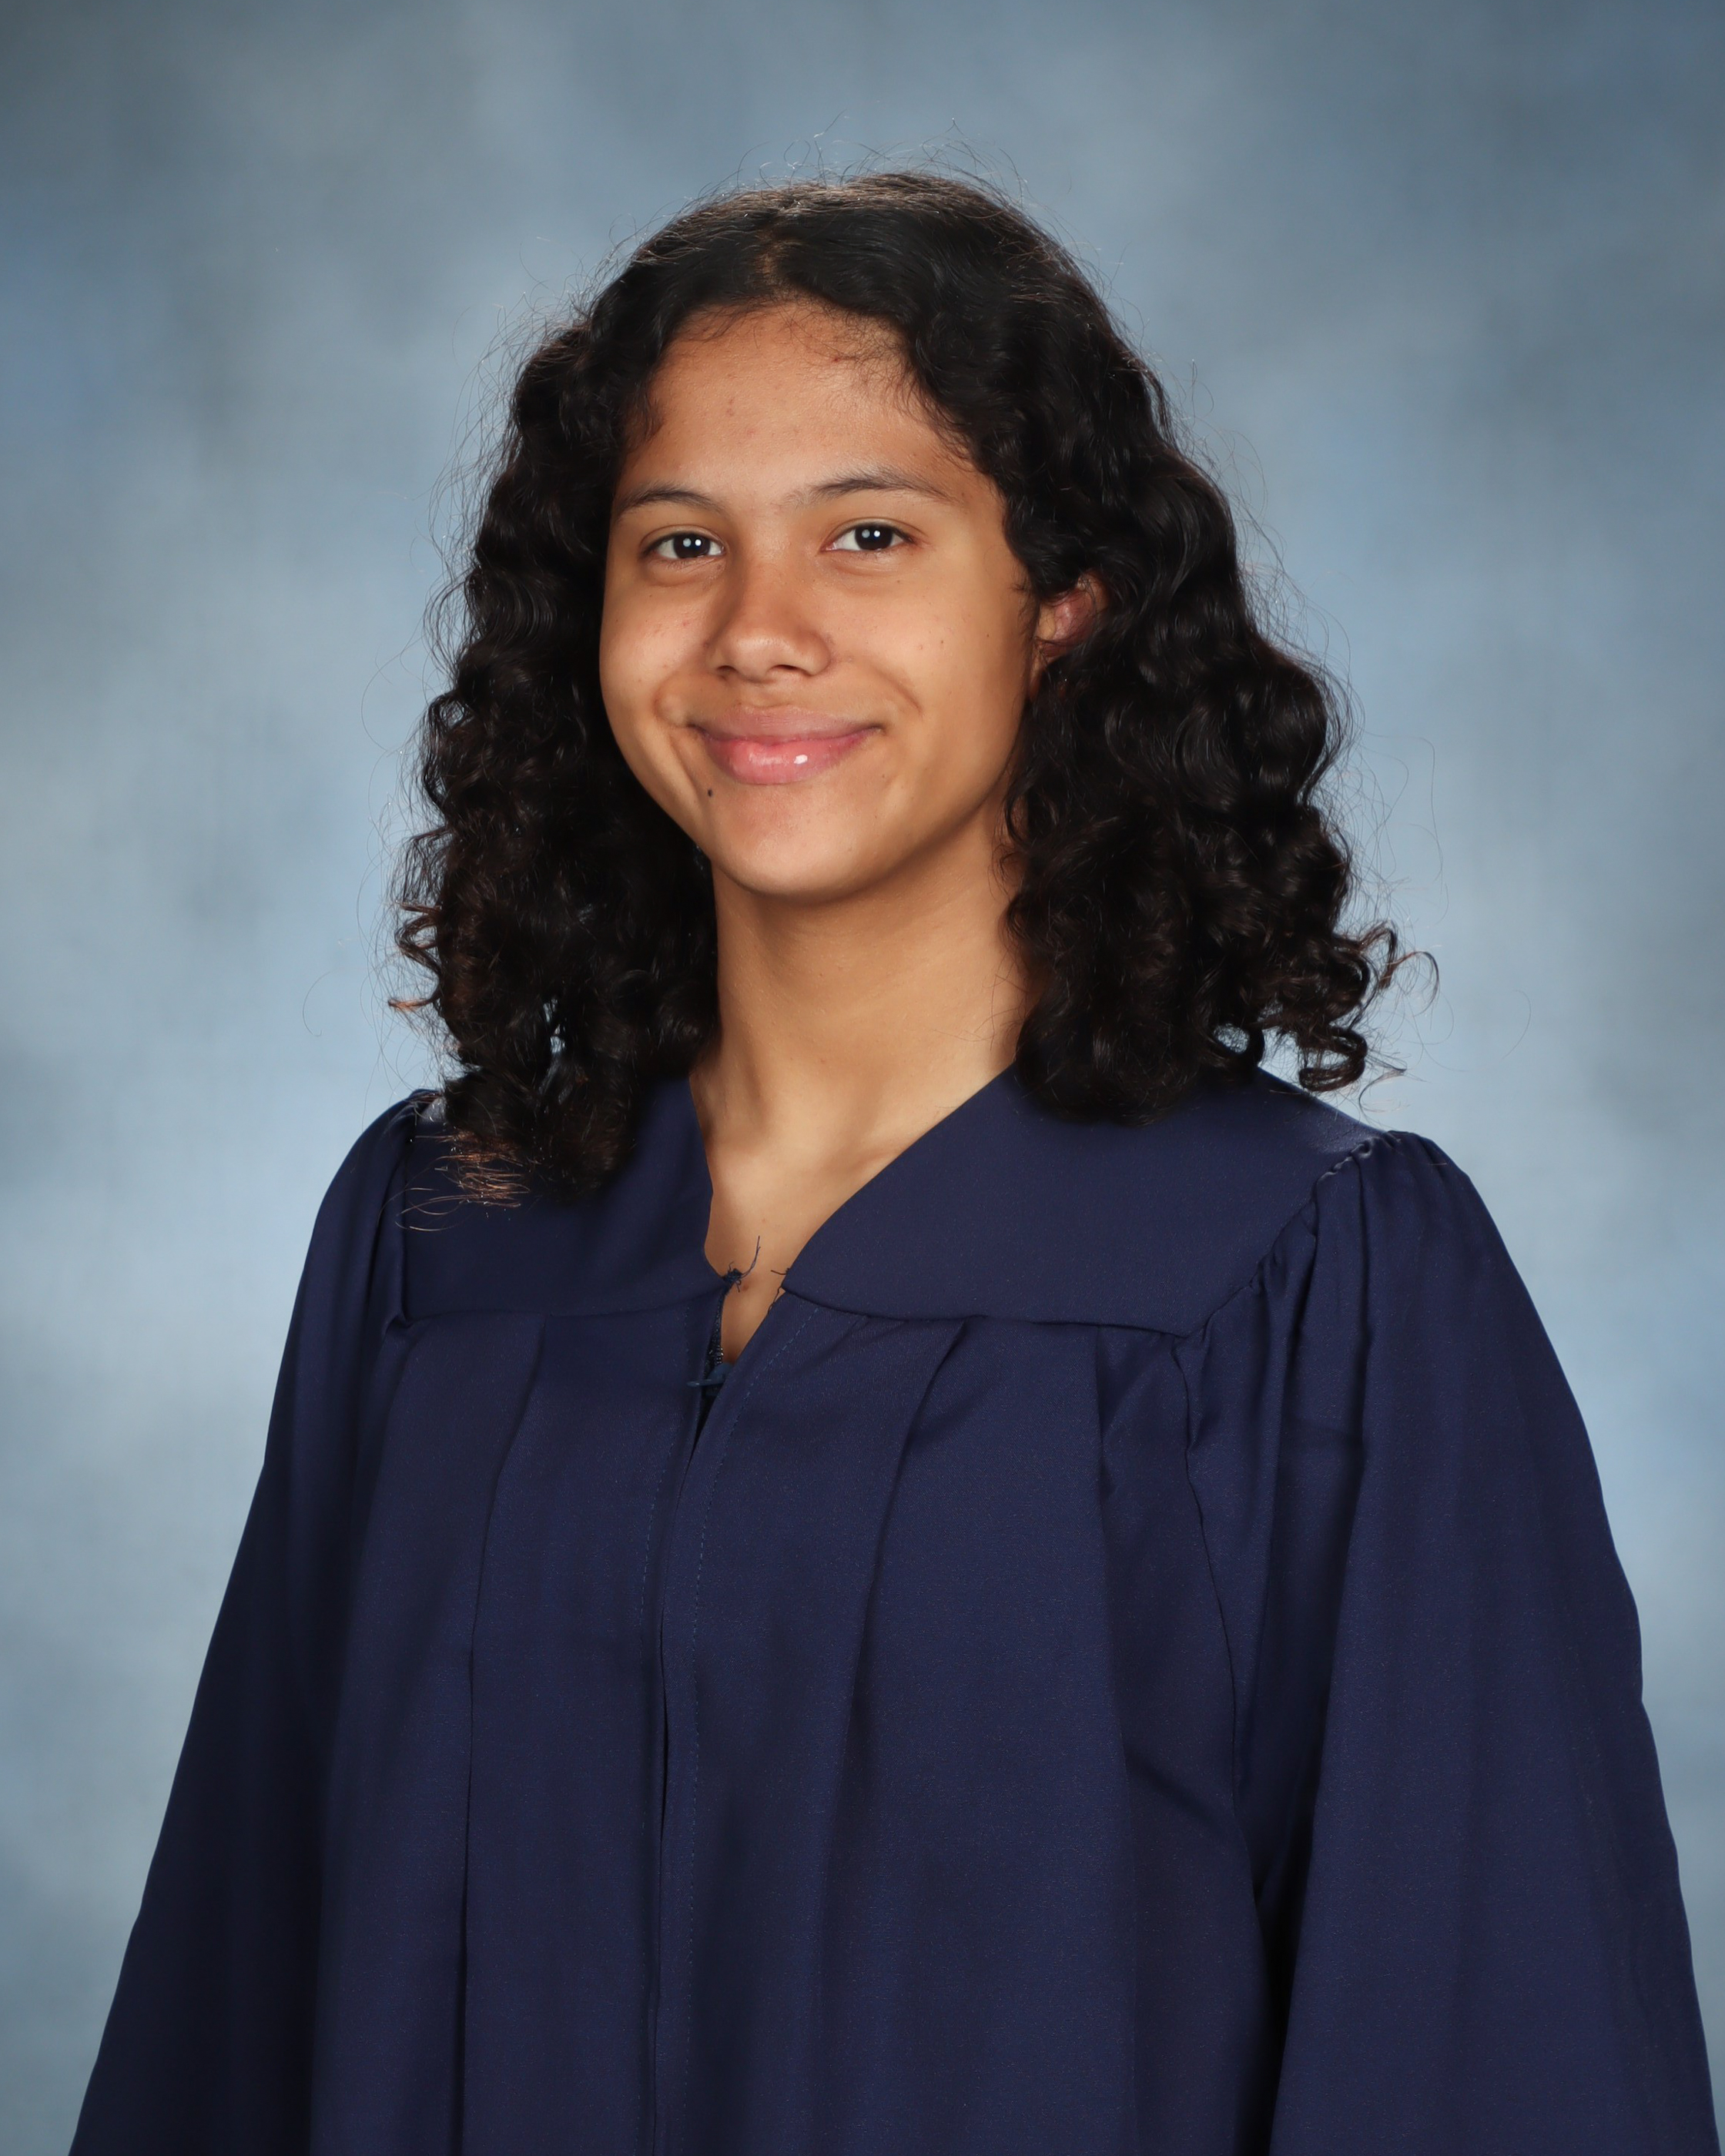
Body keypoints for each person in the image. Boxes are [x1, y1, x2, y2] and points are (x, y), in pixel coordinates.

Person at [72, 171, 1717, 2156]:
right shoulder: (444, 1240)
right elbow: (239, 1989)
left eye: (869, 534)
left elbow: (1491, 2039)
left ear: (1063, 604)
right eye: (681, 543)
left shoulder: (1315, 1284)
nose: (759, 632)